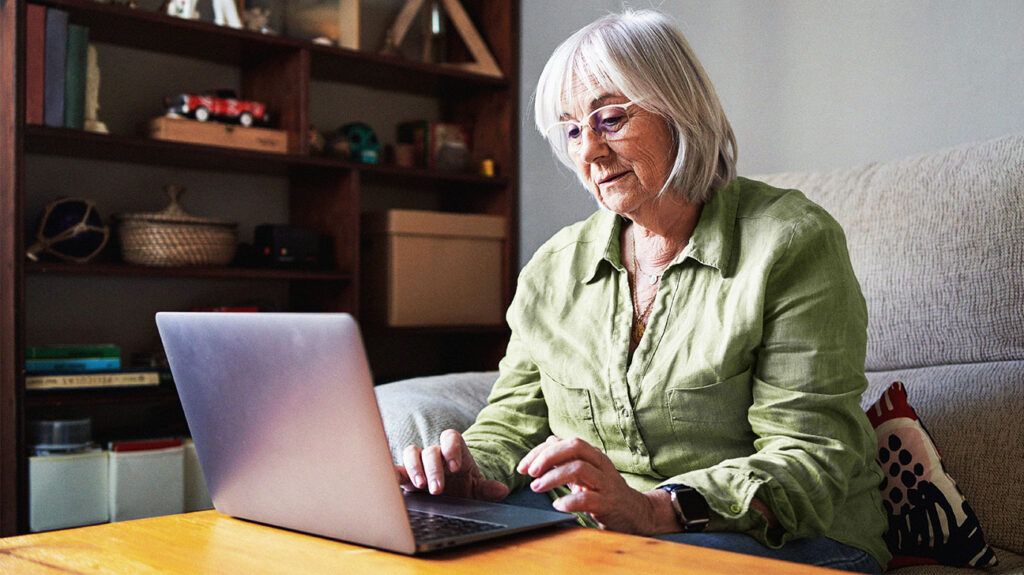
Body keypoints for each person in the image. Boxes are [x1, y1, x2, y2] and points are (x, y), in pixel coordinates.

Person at [396, 9, 889, 573]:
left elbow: (809, 458)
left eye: (609, 120)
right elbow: (512, 421)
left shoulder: (790, 243)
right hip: (604, 535)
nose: (589, 152)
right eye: (574, 130)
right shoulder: (554, 268)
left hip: (794, 542)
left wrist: (653, 509)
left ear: (681, 111)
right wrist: (469, 474)